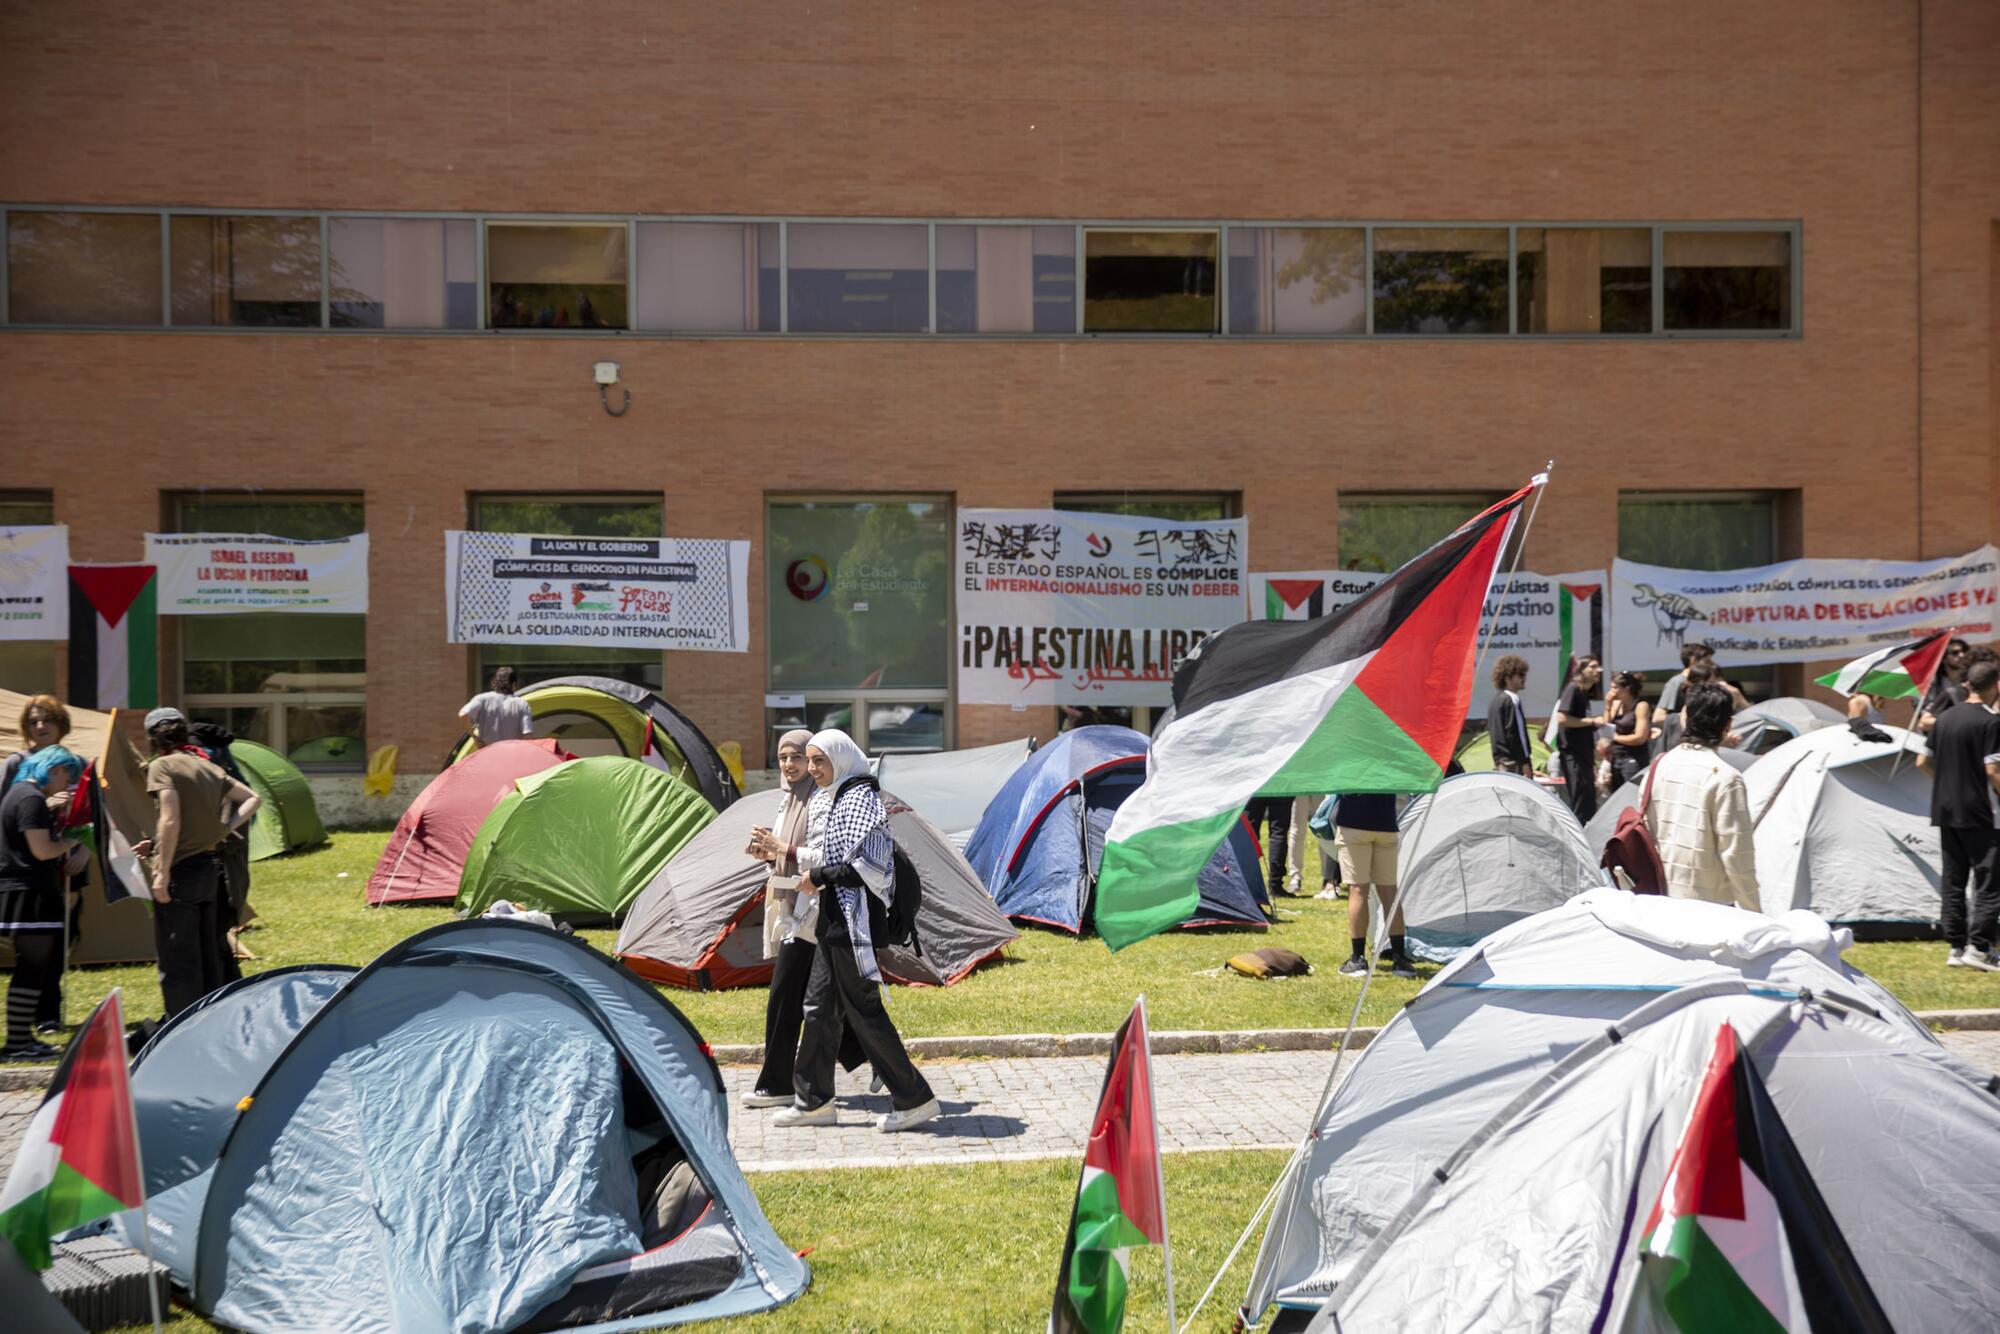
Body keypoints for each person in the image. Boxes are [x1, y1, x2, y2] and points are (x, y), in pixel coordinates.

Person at [774, 729, 939, 1132]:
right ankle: (814, 1101)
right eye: (809, 761)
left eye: (819, 761)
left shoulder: (860, 798)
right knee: (817, 1009)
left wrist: (818, 874)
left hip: (854, 922)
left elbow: (869, 865)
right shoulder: (839, 797)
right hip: (834, 920)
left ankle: (914, 1098)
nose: (812, 769)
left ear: (841, 760)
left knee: (864, 1012)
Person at [742, 729, 867, 1106]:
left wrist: (784, 849)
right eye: (784, 757)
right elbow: (788, 855)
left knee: (787, 996)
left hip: (813, 912)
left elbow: (824, 857)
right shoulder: (787, 802)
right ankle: (871, 1056)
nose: (792, 765)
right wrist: (768, 853)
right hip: (790, 907)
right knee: (820, 997)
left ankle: (777, 1082)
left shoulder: (822, 800)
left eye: (800, 757)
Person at [131, 708, 261, 1018]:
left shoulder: (161, 766)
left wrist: (160, 873)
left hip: (181, 872)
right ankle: (212, 1019)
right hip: (210, 870)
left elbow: (171, 817)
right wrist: (223, 828)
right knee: (209, 955)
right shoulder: (204, 764)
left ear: (153, 739)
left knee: (179, 960)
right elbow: (252, 798)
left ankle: (178, 1026)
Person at [0, 747, 89, 1059]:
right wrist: (72, 842)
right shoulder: (31, 798)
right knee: (33, 968)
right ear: (53, 769)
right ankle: (18, 1043)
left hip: (24, 891)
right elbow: (41, 850)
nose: (68, 783)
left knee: (31, 968)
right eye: (67, 775)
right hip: (30, 892)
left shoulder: (18, 794)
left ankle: (21, 1039)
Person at [1914, 660, 2000, 970]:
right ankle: (1979, 948)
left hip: (1945, 809)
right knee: (1988, 881)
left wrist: (1946, 785)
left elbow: (1922, 761)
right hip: (1981, 812)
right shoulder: (1992, 722)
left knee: (1953, 880)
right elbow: (1993, 770)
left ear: (1967, 685)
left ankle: (1956, 947)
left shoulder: (1945, 718)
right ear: (1995, 685)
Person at [1644, 684, 1759, 909]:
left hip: (1660, 897)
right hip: (1711, 905)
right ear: (1728, 725)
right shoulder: (1726, 778)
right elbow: (1737, 854)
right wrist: (1754, 912)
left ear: (1685, 719)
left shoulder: (1659, 765)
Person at [5, 695, 80, 1034]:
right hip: (30, 866)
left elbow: (91, 817)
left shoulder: (75, 762)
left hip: (69, 863)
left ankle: (50, 1011)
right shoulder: (17, 766)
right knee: (36, 946)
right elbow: (12, 814)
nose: (40, 726)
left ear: (60, 723)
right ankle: (32, 1019)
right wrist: (45, 805)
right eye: (34, 720)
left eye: (47, 719)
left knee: (61, 937)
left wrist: (85, 852)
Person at [1333, 791, 1411, 978]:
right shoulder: (1391, 759)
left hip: (1353, 821)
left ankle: (1357, 958)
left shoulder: (1349, 760)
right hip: (1386, 823)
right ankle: (1400, 959)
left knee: (1358, 890)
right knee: (1390, 891)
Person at [1554, 656, 1606, 823]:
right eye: (1592, 667)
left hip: (1584, 757)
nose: (1598, 671)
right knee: (1580, 803)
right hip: (1573, 756)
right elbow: (1561, 718)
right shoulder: (1573, 688)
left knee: (1588, 802)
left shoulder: (1584, 693)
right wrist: (1592, 721)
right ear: (1581, 670)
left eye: (1598, 667)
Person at [458, 666, 533, 747]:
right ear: (514, 684)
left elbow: (463, 714)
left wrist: (475, 737)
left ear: (495, 682)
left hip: (488, 752)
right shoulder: (522, 704)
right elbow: (528, 735)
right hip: (512, 753)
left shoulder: (482, 699)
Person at [1486, 655, 1534, 776]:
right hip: (1515, 763)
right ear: (1507, 677)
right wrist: (1524, 762)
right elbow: (1515, 733)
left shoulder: (1495, 701)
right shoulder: (1512, 699)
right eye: (1520, 675)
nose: (1524, 679)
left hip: (1501, 762)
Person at [1605, 671, 1653, 790]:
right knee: (1616, 796)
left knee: (1631, 793)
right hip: (1616, 758)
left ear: (1627, 688)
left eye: (1615, 687)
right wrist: (1608, 706)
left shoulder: (1641, 706)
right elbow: (1606, 728)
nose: (1611, 691)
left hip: (1633, 759)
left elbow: (1640, 737)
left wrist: (1615, 737)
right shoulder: (1616, 705)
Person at [1916, 637, 1971, 734]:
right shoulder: (1931, 686)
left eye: (1964, 651)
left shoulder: (1971, 681)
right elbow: (1924, 719)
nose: (1962, 655)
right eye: (1955, 653)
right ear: (1944, 658)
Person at [1244, 796, 1294, 898]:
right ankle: (1275, 885)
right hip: (1280, 785)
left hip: (1255, 785)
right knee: (1279, 832)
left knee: (1249, 832)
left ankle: (1247, 883)